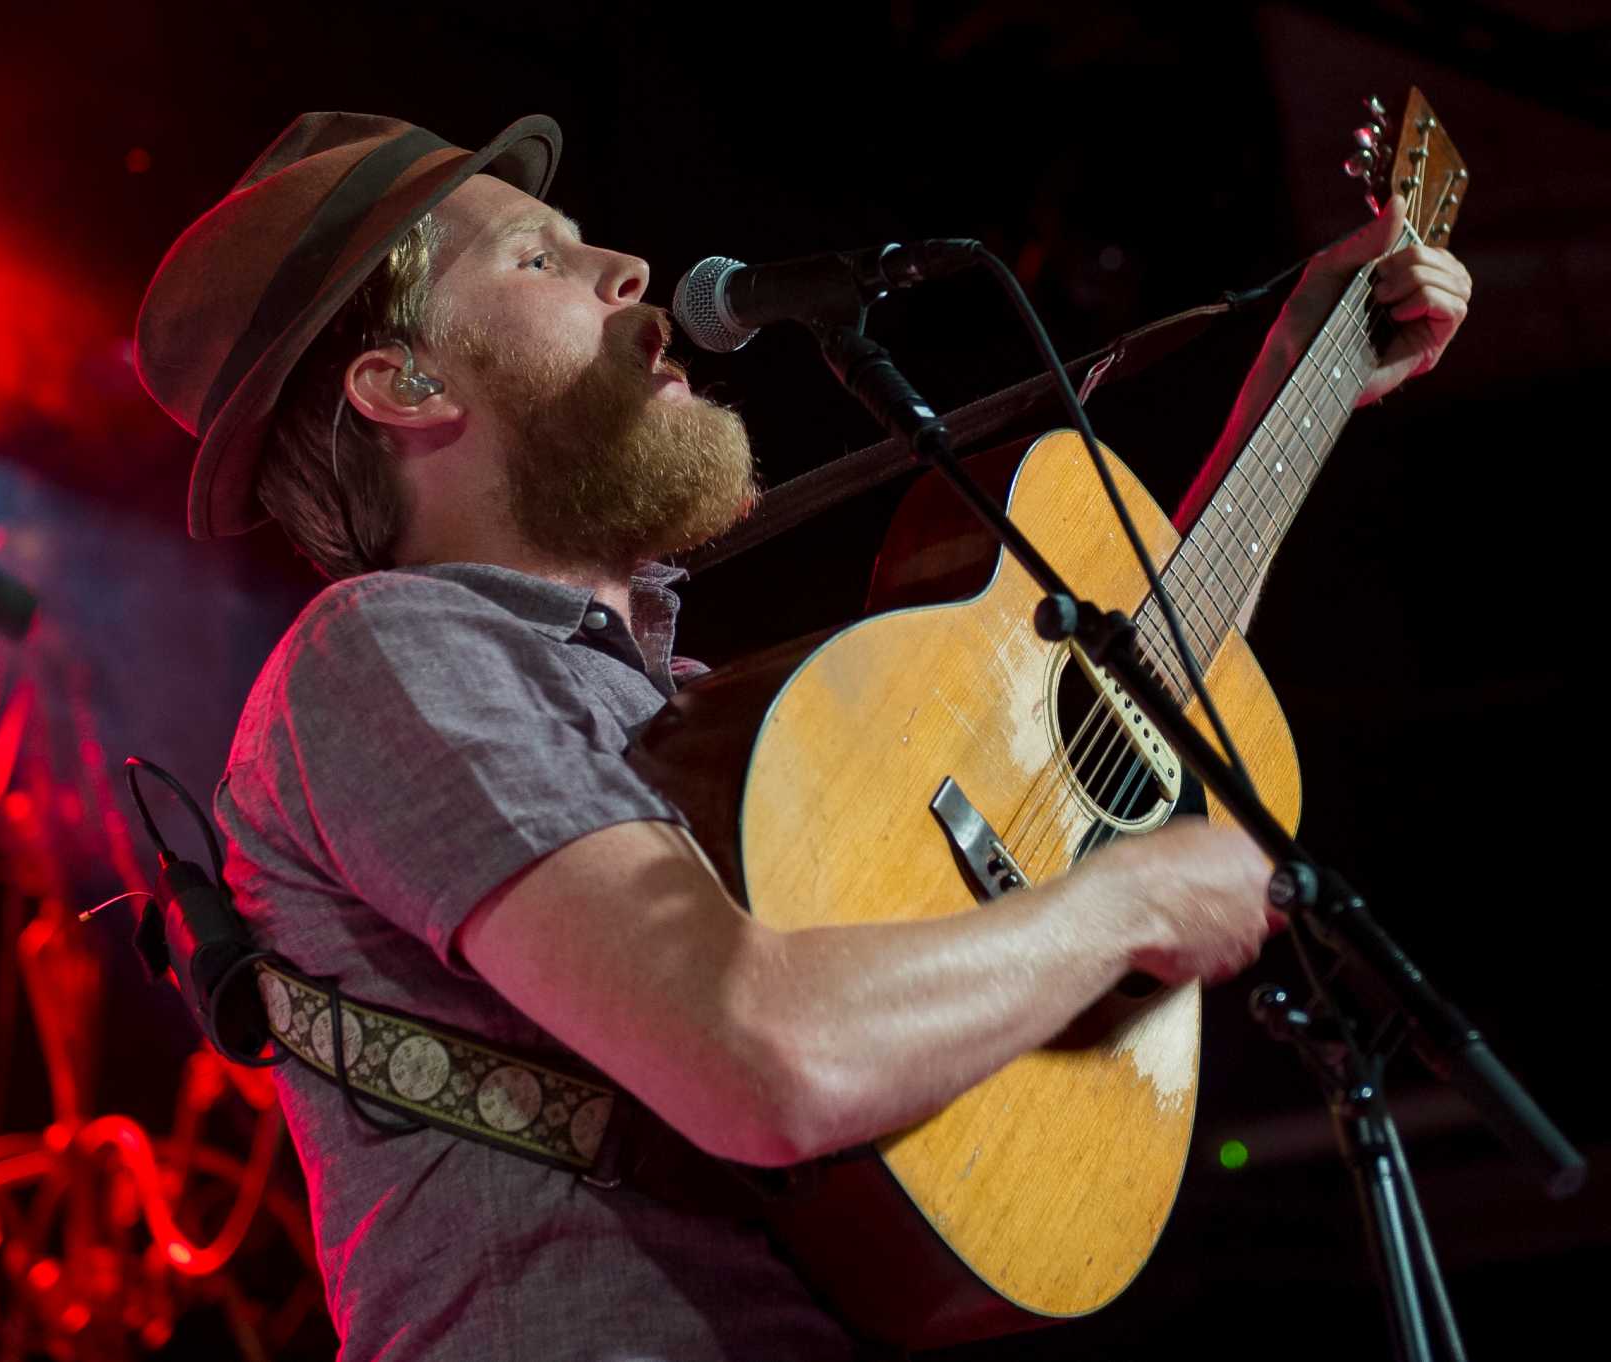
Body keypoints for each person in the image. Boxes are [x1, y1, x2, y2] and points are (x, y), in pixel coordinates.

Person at [133, 112, 1471, 1360]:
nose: (629, 270)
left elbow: (1118, 714)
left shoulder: (695, 720)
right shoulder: (382, 651)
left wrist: (1307, 381)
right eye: (539, 256)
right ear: (405, 380)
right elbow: (765, 1055)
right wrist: (1127, 905)